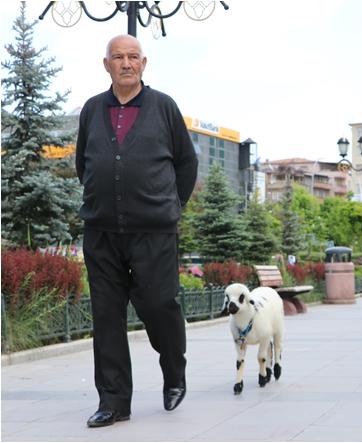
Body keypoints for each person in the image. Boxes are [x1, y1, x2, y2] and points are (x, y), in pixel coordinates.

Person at [76, 35, 197, 428]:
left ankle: (174, 372)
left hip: (154, 231)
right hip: (102, 232)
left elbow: (186, 163)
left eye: (132, 57)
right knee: (106, 316)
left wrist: (169, 207)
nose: (126, 63)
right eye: (118, 57)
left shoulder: (163, 107)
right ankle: (113, 402)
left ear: (143, 63)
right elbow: (83, 163)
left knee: (161, 305)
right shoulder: (93, 109)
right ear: (105, 63)